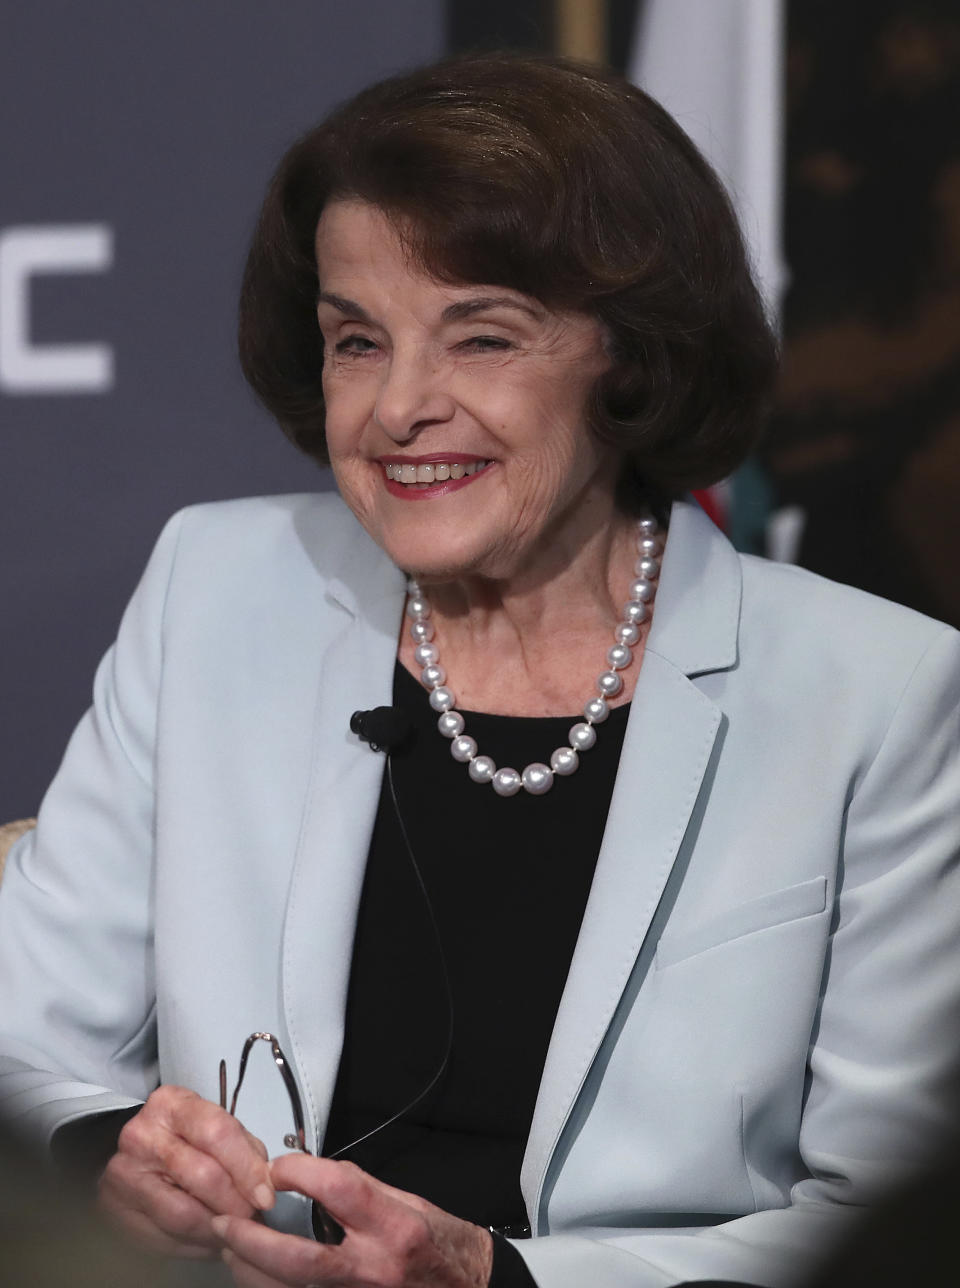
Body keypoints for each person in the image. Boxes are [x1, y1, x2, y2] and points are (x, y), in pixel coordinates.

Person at [1, 51, 959, 1288]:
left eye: (482, 337)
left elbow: (891, 1226)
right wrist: (103, 1152)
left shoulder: (877, 692)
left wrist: (497, 1277)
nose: (400, 406)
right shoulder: (218, 588)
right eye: (357, 341)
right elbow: (19, 1033)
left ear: (630, 354)